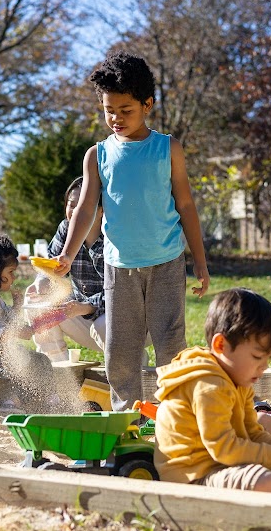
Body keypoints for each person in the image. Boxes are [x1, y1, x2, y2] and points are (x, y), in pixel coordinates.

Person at [53, 50, 210, 412]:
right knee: (121, 348)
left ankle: (175, 413)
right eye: (109, 110)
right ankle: (127, 414)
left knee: (171, 343)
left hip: (166, 262)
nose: (116, 118)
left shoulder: (167, 148)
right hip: (119, 266)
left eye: (126, 110)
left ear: (147, 104)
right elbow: (85, 208)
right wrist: (67, 254)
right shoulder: (98, 155)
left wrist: (199, 263)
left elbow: (186, 206)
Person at [153, 288, 271, 494]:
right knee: (266, 483)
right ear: (221, 345)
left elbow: (252, 433)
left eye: (267, 359)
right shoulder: (209, 386)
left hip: (224, 463)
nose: (264, 367)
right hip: (194, 478)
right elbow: (224, 449)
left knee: (267, 422)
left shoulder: (238, 380)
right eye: (257, 357)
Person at [0, 235, 56, 411]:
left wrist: (17, 307)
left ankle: (19, 399)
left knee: (34, 360)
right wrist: (15, 333)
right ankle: (39, 399)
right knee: (38, 362)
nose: (14, 277)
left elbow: (7, 321)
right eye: (10, 272)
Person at [26, 177, 107, 360]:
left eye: (83, 206)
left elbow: (121, 294)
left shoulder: (113, 238)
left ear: (102, 210)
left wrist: (85, 307)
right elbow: (48, 264)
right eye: (71, 205)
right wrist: (43, 281)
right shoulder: (65, 229)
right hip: (82, 316)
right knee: (36, 300)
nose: (75, 212)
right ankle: (57, 371)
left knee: (104, 326)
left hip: (118, 324)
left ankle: (133, 365)